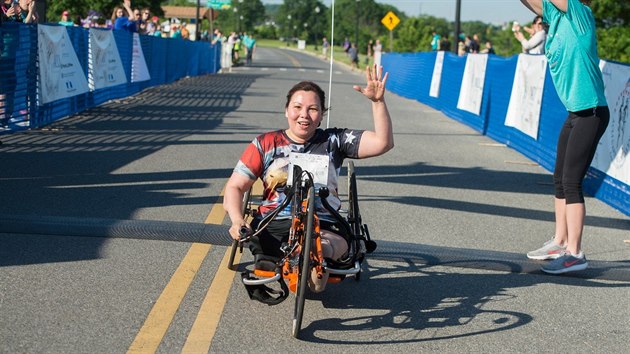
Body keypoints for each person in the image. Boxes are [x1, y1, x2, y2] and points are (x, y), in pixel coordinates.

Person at [223, 64, 394, 295]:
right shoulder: (265, 143)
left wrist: (377, 102)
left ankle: (314, 257)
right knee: (263, 246)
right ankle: (290, 258)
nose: (304, 115)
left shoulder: (335, 140)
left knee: (329, 246)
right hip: (275, 220)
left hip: (324, 224)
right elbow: (235, 186)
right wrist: (236, 220)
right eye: (298, 107)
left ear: (322, 114)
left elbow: (383, 143)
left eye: (313, 109)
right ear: (286, 110)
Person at [520, 0, 609, 274]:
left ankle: (576, 253)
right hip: (574, 113)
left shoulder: (580, 14)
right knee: (559, 178)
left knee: (572, 182)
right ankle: (560, 242)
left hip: (591, 112)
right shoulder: (555, 22)